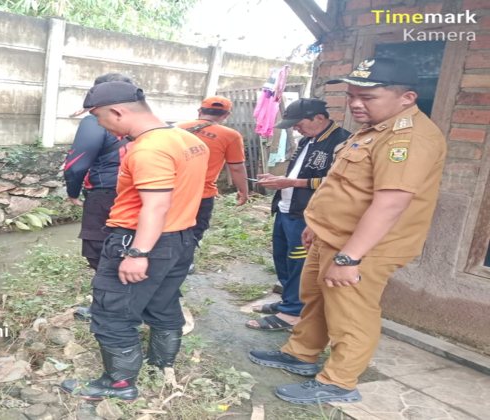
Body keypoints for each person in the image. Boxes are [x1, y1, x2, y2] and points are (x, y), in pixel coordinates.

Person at [248, 57, 447, 404]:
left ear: (407, 98)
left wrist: (350, 257)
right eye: (352, 95)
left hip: (364, 247)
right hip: (332, 236)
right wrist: (317, 225)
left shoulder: (408, 138)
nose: (356, 103)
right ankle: (301, 354)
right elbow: (344, 185)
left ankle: (339, 382)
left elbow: (390, 203)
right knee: (315, 299)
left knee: (350, 313)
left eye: (367, 97)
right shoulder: (373, 129)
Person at [60, 81, 207, 401]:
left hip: (141, 239)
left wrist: (138, 252)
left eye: (99, 118)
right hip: (181, 238)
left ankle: (119, 384)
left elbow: (156, 205)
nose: (101, 126)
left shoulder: (148, 149)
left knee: (111, 313)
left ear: (117, 112)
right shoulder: (188, 140)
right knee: (163, 303)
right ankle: (161, 363)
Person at [246, 98, 350, 331]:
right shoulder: (307, 140)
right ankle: (288, 301)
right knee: (282, 259)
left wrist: (292, 182)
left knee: (298, 263)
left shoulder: (342, 142)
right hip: (286, 208)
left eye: (299, 123)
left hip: (308, 215)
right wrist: (279, 180)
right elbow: (298, 173)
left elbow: (339, 182)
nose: (296, 128)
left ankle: (293, 313)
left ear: (319, 118)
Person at [64, 73, 135, 271]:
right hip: (141, 192)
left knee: (98, 249)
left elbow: (76, 164)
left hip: (106, 193)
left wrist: (72, 193)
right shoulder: (146, 121)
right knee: (131, 244)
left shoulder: (94, 121)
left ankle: (109, 286)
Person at [176, 96, 249, 250]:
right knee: (194, 229)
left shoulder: (177, 128)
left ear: (199, 111)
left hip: (170, 190)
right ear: (226, 115)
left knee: (166, 227)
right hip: (201, 193)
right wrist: (243, 191)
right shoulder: (231, 135)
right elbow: (236, 167)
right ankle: (185, 258)